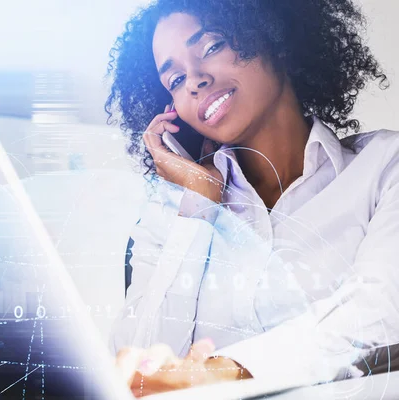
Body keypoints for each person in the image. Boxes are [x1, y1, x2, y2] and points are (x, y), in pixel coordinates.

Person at [103, 0, 399, 397]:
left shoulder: (383, 168)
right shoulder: (169, 217)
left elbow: (380, 315)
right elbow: (136, 370)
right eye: (174, 80)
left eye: (210, 47)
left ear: (275, 36)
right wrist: (199, 207)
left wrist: (223, 372)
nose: (193, 81)